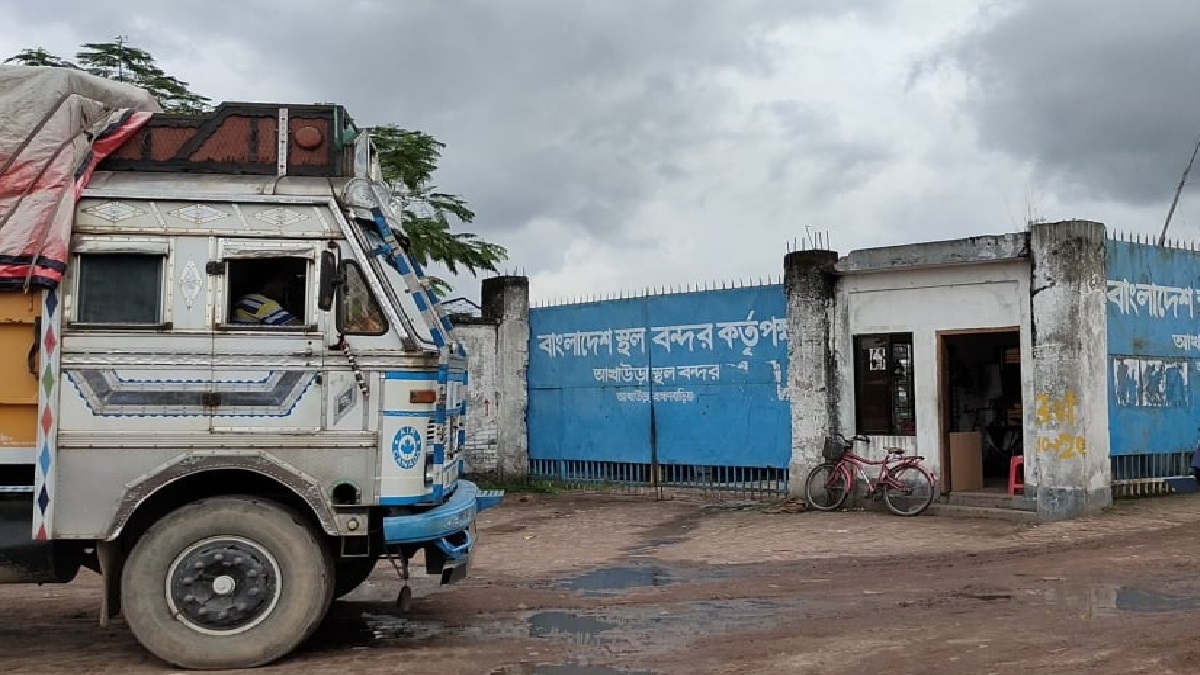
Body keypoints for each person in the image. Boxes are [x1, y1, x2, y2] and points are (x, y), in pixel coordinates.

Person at [233, 270, 301, 326]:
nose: (285, 285)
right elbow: (297, 326)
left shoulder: (246, 299)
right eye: (280, 281)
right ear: (265, 284)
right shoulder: (260, 302)